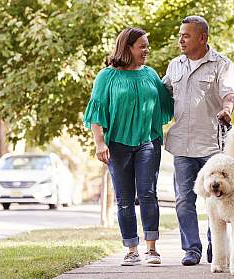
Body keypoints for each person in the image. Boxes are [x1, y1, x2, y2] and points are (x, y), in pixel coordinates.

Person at [83, 27, 173, 266]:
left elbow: (169, 101)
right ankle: (132, 249)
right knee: (124, 199)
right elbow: (96, 111)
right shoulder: (106, 76)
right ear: (128, 48)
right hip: (117, 145)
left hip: (147, 142)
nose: (146, 50)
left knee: (148, 193)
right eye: (142, 46)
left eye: (147, 46)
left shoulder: (150, 74)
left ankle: (151, 248)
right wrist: (99, 142)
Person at [163, 16, 234, 266]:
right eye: (180, 34)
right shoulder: (175, 65)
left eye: (186, 35)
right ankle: (191, 249)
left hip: (212, 145)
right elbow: (161, 94)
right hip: (182, 146)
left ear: (203, 38)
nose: (181, 39)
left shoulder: (222, 64)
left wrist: (227, 110)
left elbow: (230, 93)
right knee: (184, 198)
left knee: (215, 198)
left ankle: (214, 246)